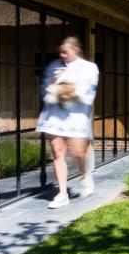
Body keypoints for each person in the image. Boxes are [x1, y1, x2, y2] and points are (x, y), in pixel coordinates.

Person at [37, 36, 99, 209]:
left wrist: (70, 90)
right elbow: (44, 87)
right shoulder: (53, 66)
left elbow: (88, 93)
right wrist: (53, 87)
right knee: (58, 153)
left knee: (78, 152)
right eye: (60, 53)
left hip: (76, 115)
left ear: (76, 49)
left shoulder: (89, 68)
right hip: (55, 113)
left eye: (65, 52)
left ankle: (85, 174)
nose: (62, 55)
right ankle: (62, 193)